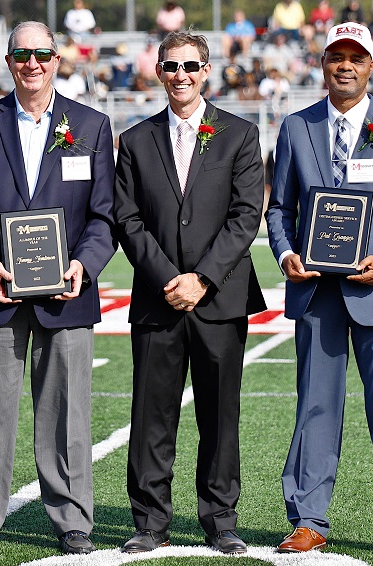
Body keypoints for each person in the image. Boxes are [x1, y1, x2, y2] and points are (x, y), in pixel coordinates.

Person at [0, 21, 116, 557]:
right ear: (8, 60)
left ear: (57, 59)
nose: (32, 63)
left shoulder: (91, 124)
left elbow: (104, 217)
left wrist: (84, 265)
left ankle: (72, 519)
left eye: (42, 53)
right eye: (22, 54)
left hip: (67, 292)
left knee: (68, 412)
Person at [264, 22, 373, 558]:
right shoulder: (296, 127)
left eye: (355, 58)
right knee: (316, 406)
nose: (345, 66)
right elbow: (278, 208)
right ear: (322, 63)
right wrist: (286, 252)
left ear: (371, 65)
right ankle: (309, 518)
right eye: (336, 56)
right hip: (316, 292)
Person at [113, 30, 266, 555]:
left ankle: (220, 517)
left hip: (219, 297)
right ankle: (150, 520)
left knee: (220, 414)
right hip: (158, 298)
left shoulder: (240, 134)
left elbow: (247, 215)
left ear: (207, 71)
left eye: (191, 66)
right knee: (152, 414)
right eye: (171, 66)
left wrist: (201, 278)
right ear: (158, 71)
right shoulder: (134, 139)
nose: (181, 75)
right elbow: (127, 218)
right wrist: (166, 278)